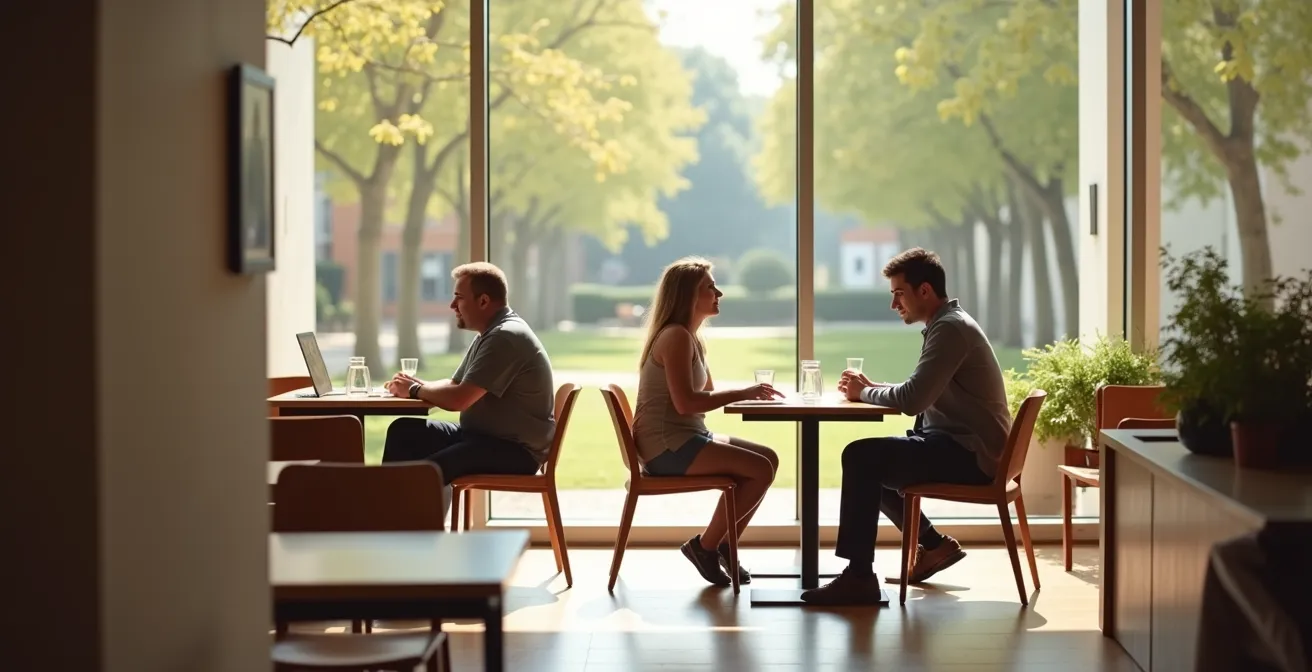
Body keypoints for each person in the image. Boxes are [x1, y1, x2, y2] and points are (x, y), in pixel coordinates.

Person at [800, 248, 1013, 605]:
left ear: (924, 290)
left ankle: (859, 578)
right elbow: (920, 390)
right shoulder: (947, 324)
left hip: (970, 455)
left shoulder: (950, 329)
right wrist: (873, 389)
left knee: (861, 457)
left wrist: (864, 392)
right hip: (966, 447)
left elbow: (912, 400)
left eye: (899, 293)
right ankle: (933, 545)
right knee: (873, 462)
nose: (893, 304)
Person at [632, 256, 784, 587]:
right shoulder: (675, 337)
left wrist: (745, 393)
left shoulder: (690, 337)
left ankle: (725, 544)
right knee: (759, 469)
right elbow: (687, 403)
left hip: (687, 437)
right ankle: (706, 547)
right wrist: (744, 392)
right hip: (668, 448)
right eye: (710, 287)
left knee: (768, 459)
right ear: (688, 295)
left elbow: (706, 392)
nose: (719, 293)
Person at [382, 262, 555, 501]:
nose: (453, 305)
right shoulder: (491, 333)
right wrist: (416, 384)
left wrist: (414, 389)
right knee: (404, 431)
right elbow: (455, 384)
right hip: (484, 438)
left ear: (483, 301)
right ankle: (393, 516)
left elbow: (459, 399)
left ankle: (394, 517)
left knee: (426, 472)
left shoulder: (505, 337)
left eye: (459, 297)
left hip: (515, 451)